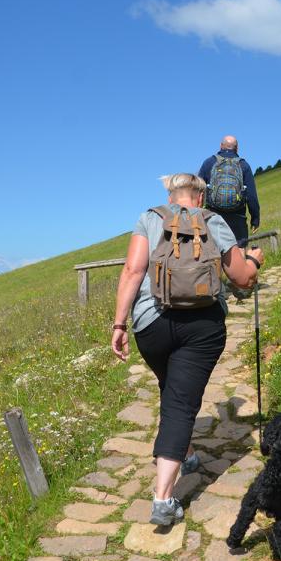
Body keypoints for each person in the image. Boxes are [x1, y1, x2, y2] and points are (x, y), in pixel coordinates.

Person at [111, 173, 265, 526]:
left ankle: (187, 451)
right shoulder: (213, 221)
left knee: (172, 388)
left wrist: (120, 324)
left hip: (151, 323)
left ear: (170, 193)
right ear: (199, 196)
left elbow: (133, 272)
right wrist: (254, 261)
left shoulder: (149, 218)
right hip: (202, 326)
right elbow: (240, 278)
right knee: (181, 402)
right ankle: (163, 498)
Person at [198, 135, 260, 249]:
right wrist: (255, 219)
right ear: (237, 148)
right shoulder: (243, 165)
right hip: (238, 218)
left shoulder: (209, 163)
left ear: (221, 146)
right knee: (239, 249)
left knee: (214, 251)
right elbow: (251, 196)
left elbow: (198, 190)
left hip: (213, 216)